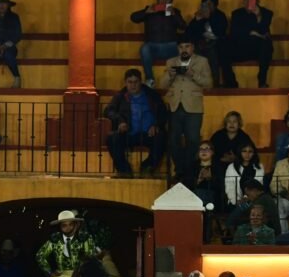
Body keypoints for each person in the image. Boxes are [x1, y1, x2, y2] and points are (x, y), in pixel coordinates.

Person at [31, 209, 118, 277]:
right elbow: (40, 256)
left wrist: (78, 275)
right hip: (63, 275)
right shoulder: (54, 240)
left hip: (85, 275)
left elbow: (91, 260)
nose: (67, 228)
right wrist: (51, 272)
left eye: (70, 224)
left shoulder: (85, 239)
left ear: (75, 225)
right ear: (60, 226)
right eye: (64, 225)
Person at [161, 40, 212, 180]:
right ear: (178, 48)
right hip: (174, 106)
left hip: (194, 107)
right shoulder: (171, 61)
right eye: (181, 46)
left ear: (193, 47)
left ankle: (190, 170)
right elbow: (162, 84)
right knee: (173, 140)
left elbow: (209, 83)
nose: (184, 49)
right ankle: (180, 169)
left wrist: (192, 74)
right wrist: (170, 75)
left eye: (187, 46)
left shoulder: (202, 61)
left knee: (193, 140)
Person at [104, 69, 167, 178]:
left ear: (140, 81)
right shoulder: (120, 96)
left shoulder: (151, 95)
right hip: (128, 133)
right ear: (125, 82)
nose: (133, 85)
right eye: (130, 82)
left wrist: (156, 125)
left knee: (162, 137)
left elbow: (163, 112)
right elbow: (109, 111)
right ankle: (124, 170)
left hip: (149, 134)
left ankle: (148, 167)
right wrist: (120, 121)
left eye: (136, 82)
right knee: (111, 138)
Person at [130, 0, 186, 87]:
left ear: (171, 1)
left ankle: (180, 80)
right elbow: (133, 18)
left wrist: (174, 14)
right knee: (144, 48)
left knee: (184, 49)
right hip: (153, 47)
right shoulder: (149, 10)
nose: (164, 1)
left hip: (171, 47)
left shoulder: (175, 12)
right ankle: (150, 79)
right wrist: (146, 12)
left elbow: (183, 27)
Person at [222, 0, 273, 89]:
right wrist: (253, 32)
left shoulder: (266, 13)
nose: (248, 2)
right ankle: (231, 82)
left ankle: (262, 81)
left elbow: (264, 31)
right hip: (241, 47)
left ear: (258, 0)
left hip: (258, 49)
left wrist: (257, 16)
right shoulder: (237, 14)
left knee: (266, 45)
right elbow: (235, 32)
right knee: (224, 45)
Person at [184, 0, 228, 87]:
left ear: (215, 6)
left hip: (216, 43)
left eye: (209, 4)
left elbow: (220, 32)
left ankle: (214, 83)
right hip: (201, 43)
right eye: (204, 4)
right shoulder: (200, 15)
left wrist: (209, 18)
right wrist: (197, 20)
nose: (206, 7)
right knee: (196, 51)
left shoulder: (220, 16)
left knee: (212, 52)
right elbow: (189, 33)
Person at [211, 111, 254, 180]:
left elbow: (252, 153)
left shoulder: (244, 137)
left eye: (235, 121)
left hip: (239, 166)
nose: (232, 124)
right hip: (219, 166)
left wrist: (236, 158)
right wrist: (221, 159)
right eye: (229, 121)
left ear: (239, 123)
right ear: (225, 123)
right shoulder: (217, 136)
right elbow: (210, 151)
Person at [223, 142, 263, 208]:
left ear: (254, 153)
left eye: (250, 151)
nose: (247, 154)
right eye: (244, 151)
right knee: (241, 208)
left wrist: (249, 198)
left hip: (255, 201)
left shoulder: (259, 167)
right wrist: (236, 201)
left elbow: (259, 186)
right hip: (235, 202)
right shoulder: (232, 167)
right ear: (240, 152)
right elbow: (229, 187)